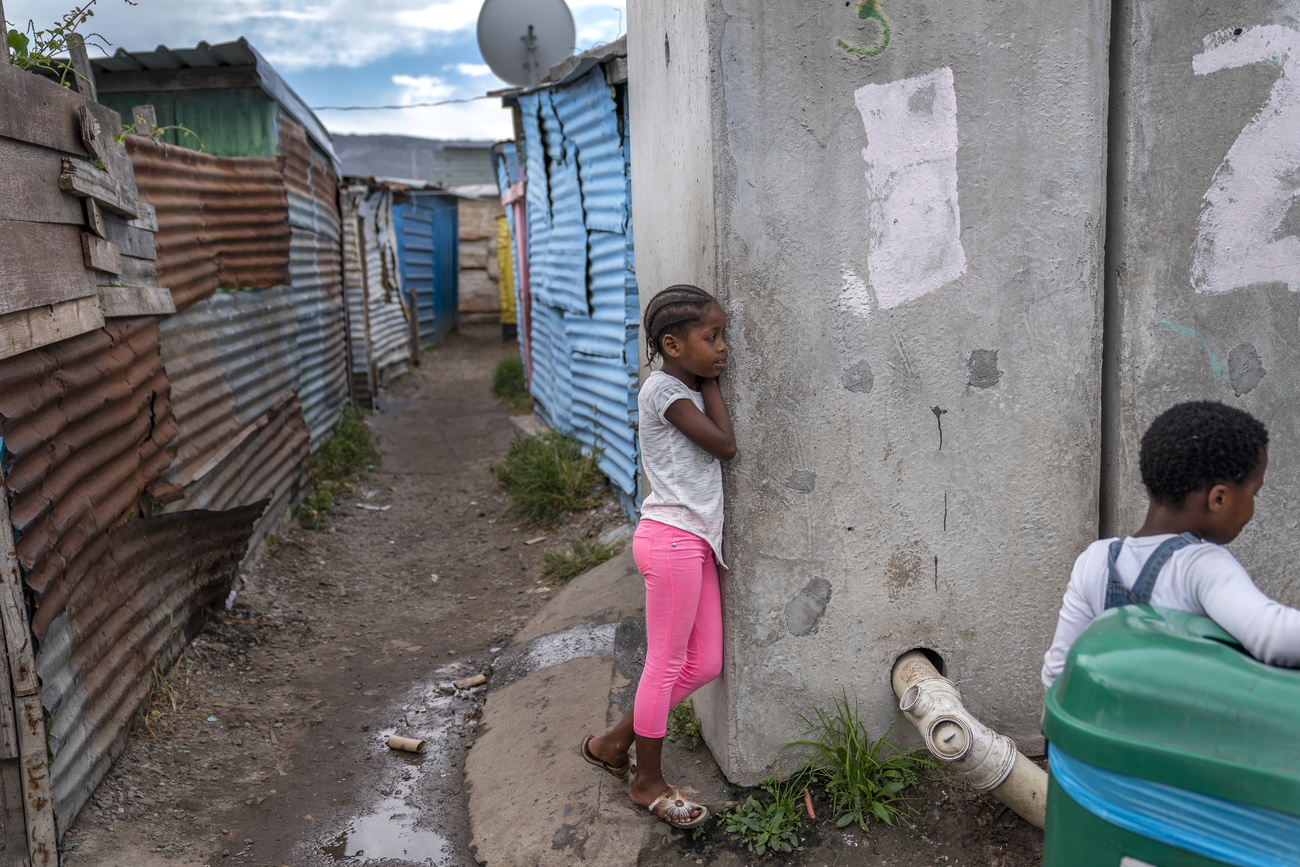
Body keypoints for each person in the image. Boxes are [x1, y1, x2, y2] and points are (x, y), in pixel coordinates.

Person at [580, 284, 735, 829]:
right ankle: (647, 783)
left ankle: (612, 743)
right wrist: (711, 380)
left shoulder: (683, 385)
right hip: (670, 541)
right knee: (665, 665)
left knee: (706, 662)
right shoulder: (663, 392)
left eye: (723, 336)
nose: (722, 347)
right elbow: (724, 444)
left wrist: (706, 373)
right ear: (672, 344)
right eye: (710, 337)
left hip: (694, 542)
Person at [1042, 400, 1300, 689]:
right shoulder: (1201, 565)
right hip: (1182, 732)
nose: (1252, 507)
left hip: (1106, 730)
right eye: (1254, 493)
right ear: (1219, 499)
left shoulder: (1095, 560)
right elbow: (1276, 637)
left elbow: (1057, 674)